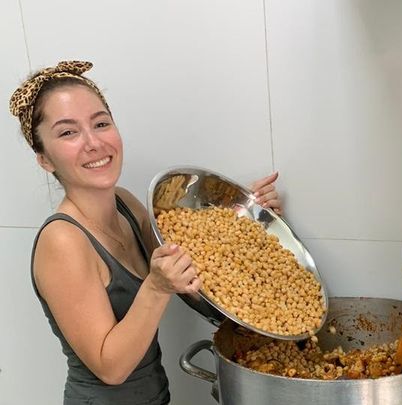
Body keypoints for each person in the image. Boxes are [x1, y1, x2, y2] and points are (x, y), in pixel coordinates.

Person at [8, 61, 282, 404]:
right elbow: (111, 368)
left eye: (101, 123)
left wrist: (247, 220)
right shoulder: (63, 241)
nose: (93, 142)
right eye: (68, 132)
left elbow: (191, 274)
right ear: (44, 159)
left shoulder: (125, 204)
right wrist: (155, 286)